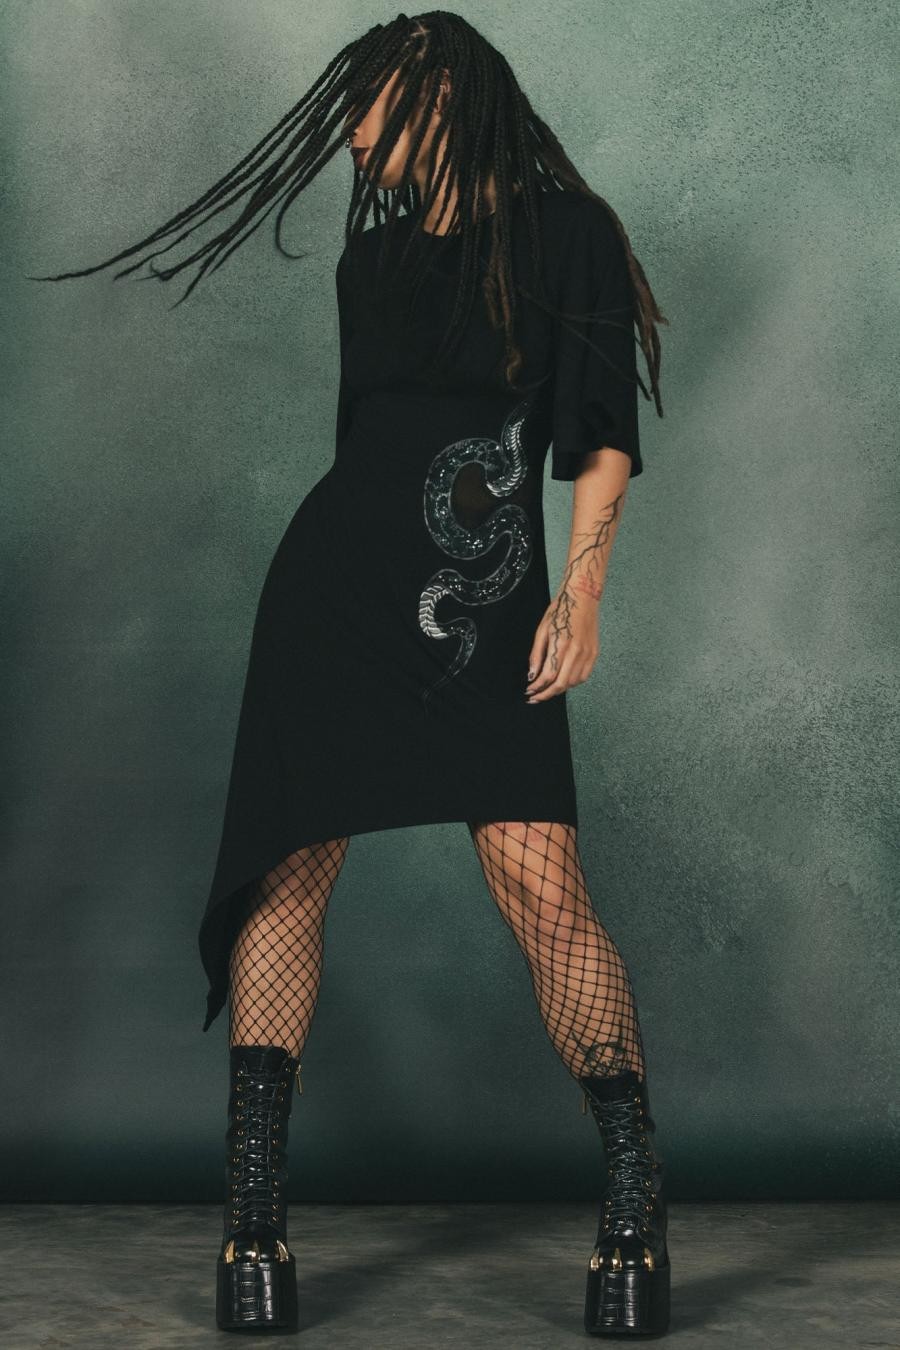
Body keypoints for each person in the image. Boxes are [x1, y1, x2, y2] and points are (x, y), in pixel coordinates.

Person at [30, 11, 672, 1338]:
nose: (353, 134)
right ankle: (252, 1226)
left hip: (486, 605)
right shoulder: (371, 258)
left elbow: (595, 432)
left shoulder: (567, 236)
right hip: (331, 601)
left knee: (539, 882)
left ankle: (633, 1205)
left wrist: (585, 593)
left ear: (438, 94)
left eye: (368, 106)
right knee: (291, 871)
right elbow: (367, 443)